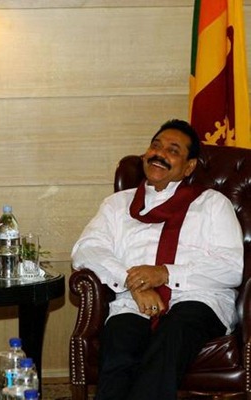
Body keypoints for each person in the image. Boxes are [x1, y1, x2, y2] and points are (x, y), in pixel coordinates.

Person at [71, 119, 244, 400]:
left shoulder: (212, 204)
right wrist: (135, 282)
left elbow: (231, 267)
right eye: (155, 146)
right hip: (133, 299)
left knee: (172, 336)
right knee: (118, 343)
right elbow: (86, 250)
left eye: (173, 150)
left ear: (189, 167)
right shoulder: (117, 205)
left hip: (198, 300)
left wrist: (164, 274)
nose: (159, 154)